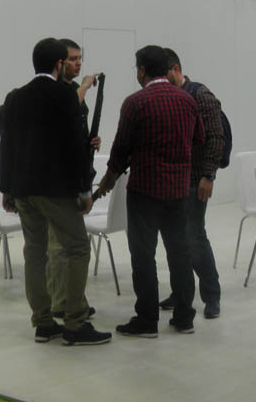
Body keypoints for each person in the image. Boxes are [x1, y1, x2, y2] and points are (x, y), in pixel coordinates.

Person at [0, 37, 111, 346]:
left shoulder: (15, 97)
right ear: (59, 64)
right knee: (78, 248)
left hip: (23, 189)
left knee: (35, 252)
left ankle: (43, 321)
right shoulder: (64, 95)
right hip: (55, 189)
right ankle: (75, 321)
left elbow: (7, 144)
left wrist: (6, 188)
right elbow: (74, 146)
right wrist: (85, 190)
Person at [95, 45, 205, 338]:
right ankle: (185, 317)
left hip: (145, 190)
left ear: (142, 70)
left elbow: (121, 150)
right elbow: (198, 139)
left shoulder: (135, 103)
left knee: (143, 255)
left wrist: (107, 181)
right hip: (178, 191)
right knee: (180, 253)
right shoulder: (187, 99)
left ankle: (146, 320)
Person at [158, 47, 225, 319]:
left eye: (164, 75)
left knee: (194, 237)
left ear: (176, 69)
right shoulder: (167, 96)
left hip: (195, 180)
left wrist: (209, 175)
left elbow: (216, 136)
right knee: (174, 240)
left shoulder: (200, 94)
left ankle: (211, 295)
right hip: (171, 180)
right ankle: (181, 292)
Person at [47, 38, 101, 321]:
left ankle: (71, 300)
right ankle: (61, 302)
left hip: (74, 175)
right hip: (58, 179)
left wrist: (89, 140)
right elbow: (66, 111)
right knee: (59, 245)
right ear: (59, 62)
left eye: (80, 58)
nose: (78, 63)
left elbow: (73, 124)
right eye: (72, 59)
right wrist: (86, 86)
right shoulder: (57, 91)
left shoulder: (72, 90)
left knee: (68, 245)